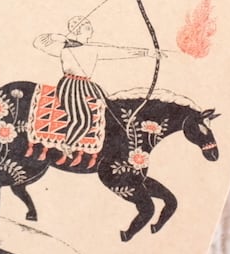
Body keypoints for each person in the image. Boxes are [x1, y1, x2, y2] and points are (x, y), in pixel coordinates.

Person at [33, 16, 151, 164]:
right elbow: (38, 43)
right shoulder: (64, 47)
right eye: (87, 28)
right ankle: (68, 143)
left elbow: (120, 52)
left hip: (86, 84)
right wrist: (53, 37)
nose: (92, 30)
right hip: (70, 86)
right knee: (83, 119)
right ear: (77, 30)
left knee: (111, 106)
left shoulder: (93, 48)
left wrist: (147, 53)